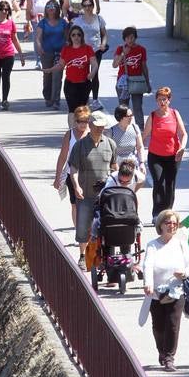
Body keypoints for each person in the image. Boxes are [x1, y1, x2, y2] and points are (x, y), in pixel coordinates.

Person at [142, 209, 189, 372]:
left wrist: (185, 273)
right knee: (158, 326)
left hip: (176, 291)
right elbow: (148, 265)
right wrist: (148, 283)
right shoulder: (152, 245)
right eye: (168, 223)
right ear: (161, 225)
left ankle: (169, 358)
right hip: (156, 293)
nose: (172, 226)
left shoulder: (181, 243)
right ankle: (162, 351)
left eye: (175, 223)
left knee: (172, 324)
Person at [68, 110, 117, 267]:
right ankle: (83, 256)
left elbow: (114, 167)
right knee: (83, 226)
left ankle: (105, 258)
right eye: (96, 126)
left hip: (105, 196)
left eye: (102, 126)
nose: (99, 129)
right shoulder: (80, 146)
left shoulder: (110, 144)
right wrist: (76, 186)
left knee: (107, 227)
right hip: (85, 194)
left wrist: (116, 183)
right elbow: (73, 169)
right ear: (89, 125)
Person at [142, 87, 187, 222]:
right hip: (155, 155)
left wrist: (183, 147)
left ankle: (167, 212)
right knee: (158, 182)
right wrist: (138, 151)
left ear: (169, 100)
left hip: (173, 155)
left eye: (164, 99)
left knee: (170, 184)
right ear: (156, 101)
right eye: (159, 100)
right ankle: (157, 213)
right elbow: (145, 135)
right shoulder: (153, 116)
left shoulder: (174, 114)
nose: (162, 102)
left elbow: (183, 133)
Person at [44, 25, 97, 116]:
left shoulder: (88, 48)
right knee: (72, 110)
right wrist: (50, 70)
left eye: (78, 35)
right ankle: (72, 129)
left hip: (84, 83)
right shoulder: (66, 49)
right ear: (70, 37)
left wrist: (92, 73)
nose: (76, 37)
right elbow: (61, 65)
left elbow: (94, 64)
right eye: (73, 35)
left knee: (82, 111)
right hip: (70, 84)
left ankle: (81, 129)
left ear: (82, 36)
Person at [54, 106, 91, 227]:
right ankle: (79, 231)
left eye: (86, 121)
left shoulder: (92, 133)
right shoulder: (69, 134)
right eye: (81, 121)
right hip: (71, 174)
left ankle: (88, 229)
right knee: (75, 204)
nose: (83, 124)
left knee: (88, 203)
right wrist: (57, 177)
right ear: (75, 121)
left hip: (89, 174)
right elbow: (63, 157)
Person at [0, 0, 25, 110]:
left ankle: (5, 100)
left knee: (6, 77)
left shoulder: (11, 23)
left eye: (6, 9)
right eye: (2, 9)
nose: (4, 11)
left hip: (8, 54)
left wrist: (21, 55)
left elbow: (15, 40)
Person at [112, 26, 150, 130]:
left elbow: (144, 66)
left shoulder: (141, 49)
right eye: (128, 38)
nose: (130, 40)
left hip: (136, 81)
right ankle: (123, 128)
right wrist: (124, 53)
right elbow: (114, 64)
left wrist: (147, 82)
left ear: (135, 38)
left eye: (132, 37)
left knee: (137, 107)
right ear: (124, 39)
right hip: (123, 83)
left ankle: (140, 129)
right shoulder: (120, 49)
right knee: (123, 108)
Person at [35, 0, 67, 109]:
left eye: (53, 7)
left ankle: (56, 100)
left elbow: (68, 37)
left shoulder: (63, 22)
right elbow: (38, 37)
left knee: (57, 76)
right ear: (46, 10)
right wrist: (39, 47)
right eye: (49, 7)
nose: (51, 9)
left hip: (60, 53)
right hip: (46, 52)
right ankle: (48, 97)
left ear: (57, 9)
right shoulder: (42, 22)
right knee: (47, 75)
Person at [77, 0, 107, 103]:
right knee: (83, 74)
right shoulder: (78, 21)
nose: (87, 8)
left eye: (89, 5)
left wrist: (103, 44)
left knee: (94, 74)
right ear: (82, 7)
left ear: (93, 6)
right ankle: (83, 96)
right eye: (85, 6)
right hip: (83, 50)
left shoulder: (99, 19)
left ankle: (95, 99)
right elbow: (74, 35)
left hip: (96, 50)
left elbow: (104, 34)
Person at [106, 104, 146, 172]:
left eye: (132, 115)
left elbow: (140, 147)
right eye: (128, 116)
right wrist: (113, 165)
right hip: (117, 165)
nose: (131, 117)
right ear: (121, 117)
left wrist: (142, 163)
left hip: (132, 163)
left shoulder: (135, 128)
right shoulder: (111, 131)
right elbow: (107, 152)